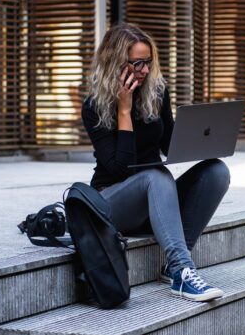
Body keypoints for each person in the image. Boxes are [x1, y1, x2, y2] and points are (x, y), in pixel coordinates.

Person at [81, 23, 230, 302]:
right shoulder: (94, 107)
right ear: (116, 63)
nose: (145, 71)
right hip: (112, 204)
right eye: (137, 64)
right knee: (156, 176)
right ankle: (182, 272)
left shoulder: (157, 93)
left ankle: (173, 263)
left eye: (148, 62)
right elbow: (117, 169)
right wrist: (124, 110)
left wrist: (203, 138)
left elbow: (168, 146)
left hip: (153, 201)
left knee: (216, 171)